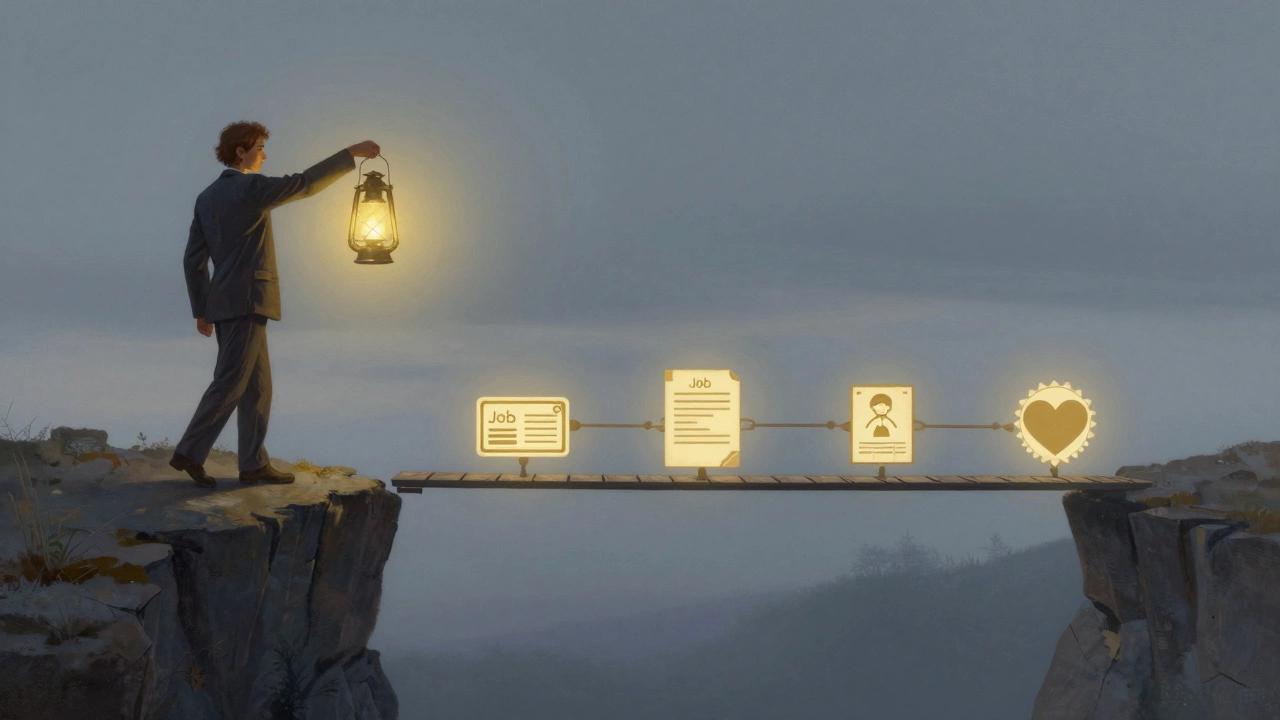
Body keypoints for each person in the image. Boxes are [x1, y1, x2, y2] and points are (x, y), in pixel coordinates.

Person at [169, 121, 380, 487]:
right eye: (260, 148)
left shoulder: (206, 197)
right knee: (231, 381)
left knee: (258, 386)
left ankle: (253, 464)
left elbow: (193, 260)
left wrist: (201, 309)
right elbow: (304, 183)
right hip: (249, 299)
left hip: (224, 302)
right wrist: (350, 154)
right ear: (241, 152)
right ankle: (189, 451)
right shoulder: (250, 188)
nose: (264, 155)